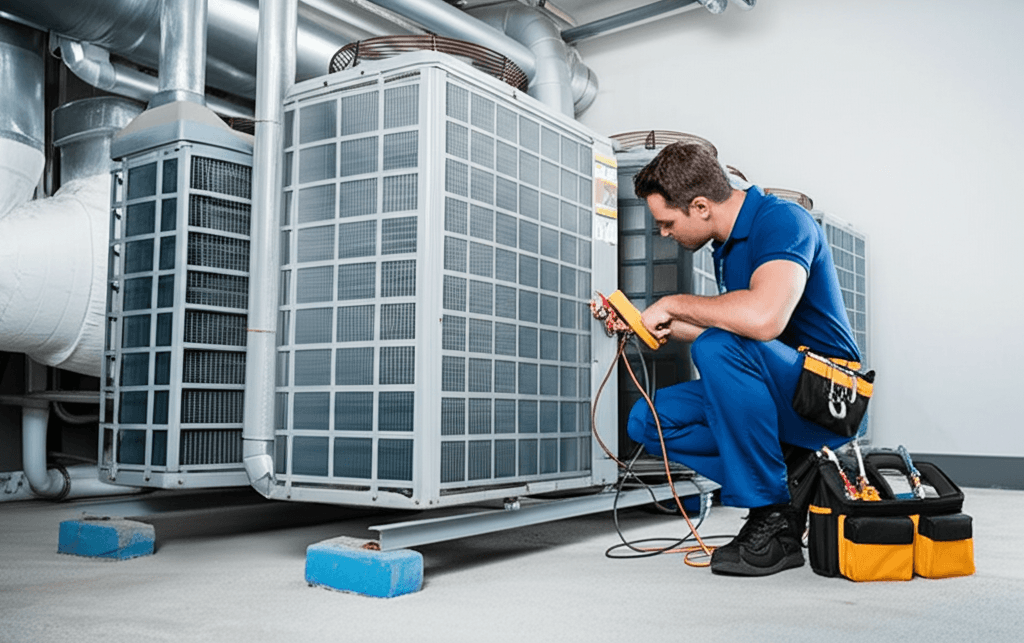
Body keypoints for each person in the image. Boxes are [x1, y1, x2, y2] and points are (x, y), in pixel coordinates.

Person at [627, 142, 861, 576]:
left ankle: (771, 514)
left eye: (667, 222)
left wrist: (674, 303)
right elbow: (740, 340)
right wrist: (660, 327)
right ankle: (788, 484)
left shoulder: (784, 221)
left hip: (828, 399)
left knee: (715, 347)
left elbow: (763, 319)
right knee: (647, 420)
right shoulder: (726, 244)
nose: (663, 233)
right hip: (778, 384)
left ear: (700, 206)